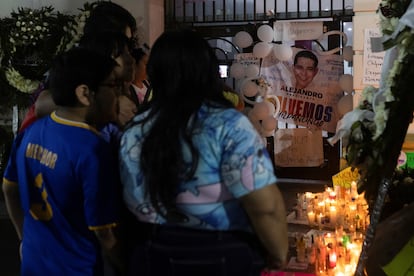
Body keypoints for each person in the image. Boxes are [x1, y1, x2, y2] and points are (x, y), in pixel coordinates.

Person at [119, 29, 288, 275]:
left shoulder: (135, 128)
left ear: (155, 73)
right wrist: (278, 252)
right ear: (208, 70)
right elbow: (265, 206)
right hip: (220, 253)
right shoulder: (228, 124)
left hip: (151, 252)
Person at [2, 47, 125, 275]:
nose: (117, 95)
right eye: (112, 85)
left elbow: (9, 189)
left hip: (33, 262)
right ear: (85, 93)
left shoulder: (31, 132)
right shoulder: (92, 149)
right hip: (77, 268)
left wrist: (24, 238)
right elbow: (103, 233)